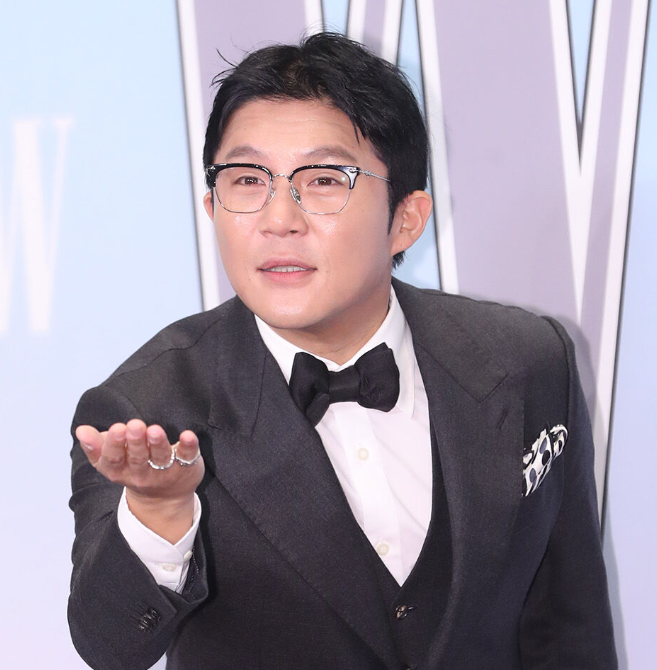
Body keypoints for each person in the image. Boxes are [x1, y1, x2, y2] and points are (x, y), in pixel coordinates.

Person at [68, 32, 617, 670]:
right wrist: (159, 514)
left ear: (406, 219)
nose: (279, 218)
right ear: (212, 205)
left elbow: (570, 629)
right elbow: (110, 645)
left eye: (324, 180)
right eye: (247, 180)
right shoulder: (146, 409)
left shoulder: (526, 362)